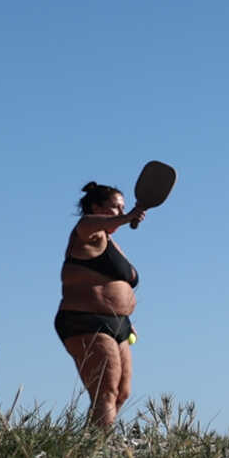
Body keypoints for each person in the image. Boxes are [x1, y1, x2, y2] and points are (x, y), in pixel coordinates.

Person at [56, 180, 151, 429]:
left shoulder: (112, 243)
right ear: (96, 207)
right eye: (115, 207)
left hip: (118, 324)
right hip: (85, 320)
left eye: (123, 208)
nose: (121, 212)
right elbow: (92, 223)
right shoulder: (86, 231)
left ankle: (91, 441)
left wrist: (127, 321)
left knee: (122, 392)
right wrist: (128, 217)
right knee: (105, 391)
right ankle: (101, 449)